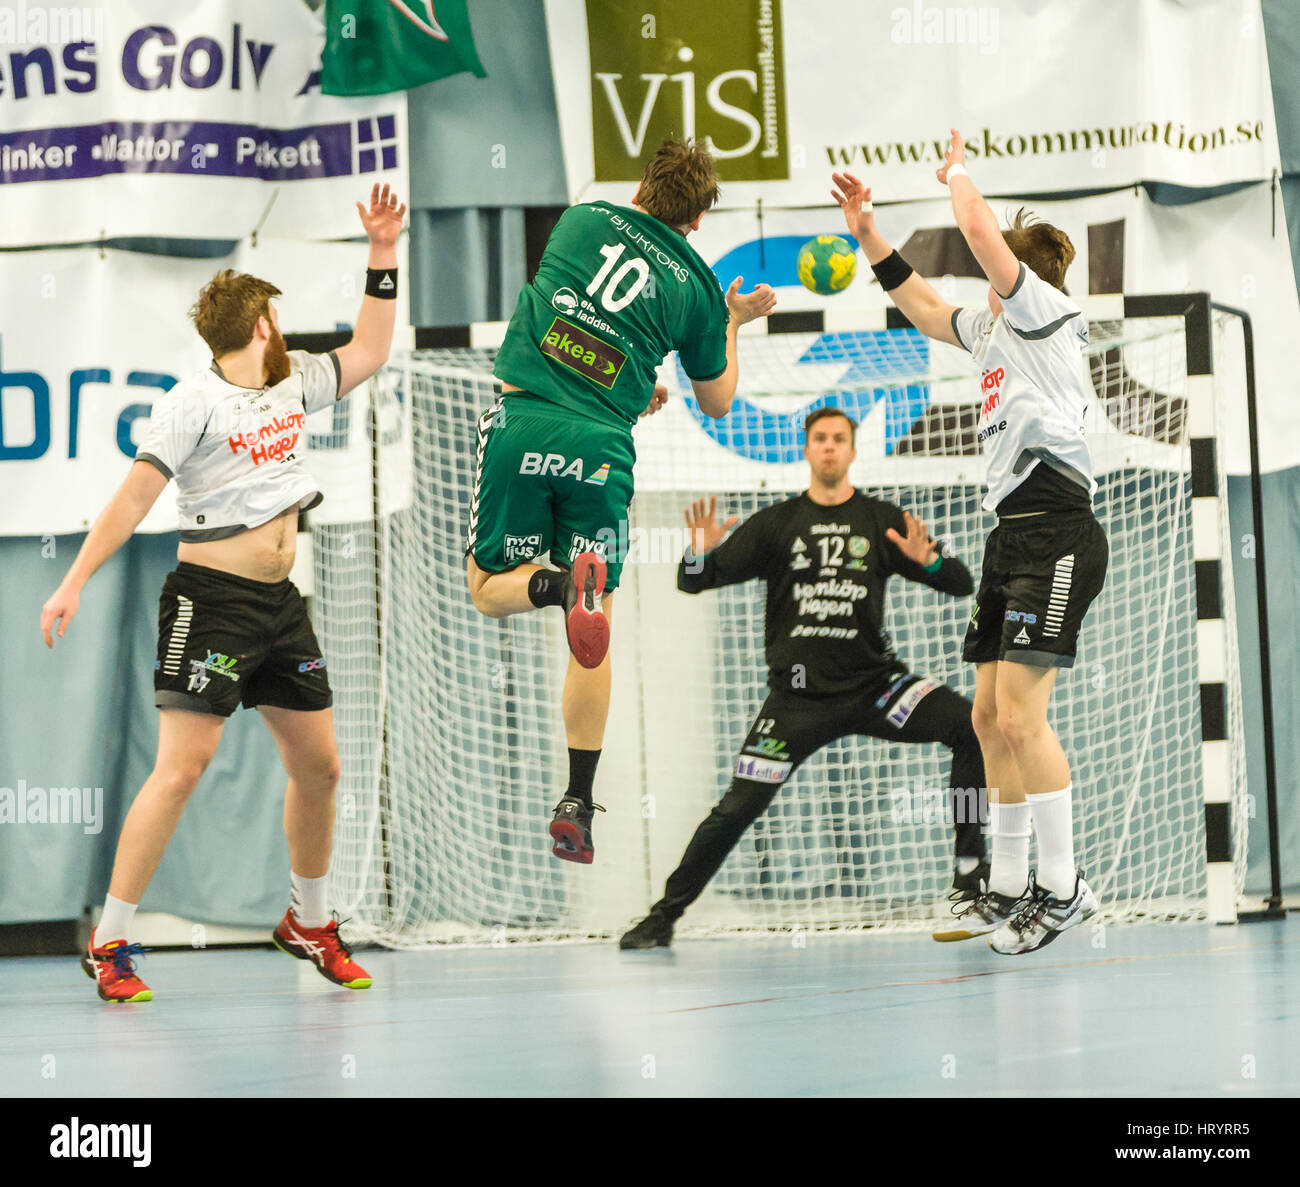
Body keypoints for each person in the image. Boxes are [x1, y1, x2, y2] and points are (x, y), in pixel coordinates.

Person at [39, 184, 407, 1001]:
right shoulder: (190, 404)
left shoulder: (293, 384)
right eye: (276, 316)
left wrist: (383, 254)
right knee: (183, 768)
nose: (282, 328)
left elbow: (372, 348)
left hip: (282, 608)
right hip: (211, 602)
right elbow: (133, 499)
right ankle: (110, 943)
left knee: (320, 765)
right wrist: (71, 581)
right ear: (261, 326)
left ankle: (307, 922)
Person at [831, 128, 1106, 955]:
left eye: (993, 268)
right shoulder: (991, 335)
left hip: (1058, 530)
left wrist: (955, 171)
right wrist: (867, 229)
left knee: (1023, 717)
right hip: (1009, 535)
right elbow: (917, 302)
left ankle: (1063, 890)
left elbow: (982, 229)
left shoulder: (1041, 312)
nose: (982, 276)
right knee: (988, 717)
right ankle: (1010, 884)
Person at [464, 137, 776, 864]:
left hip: (523, 423)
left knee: (485, 590)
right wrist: (731, 320)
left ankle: (548, 587)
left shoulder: (579, 218)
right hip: (601, 449)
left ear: (643, 183)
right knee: (593, 619)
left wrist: (628, 379)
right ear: (697, 221)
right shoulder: (698, 286)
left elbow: (579, 330)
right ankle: (577, 795)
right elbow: (720, 400)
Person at [620, 407, 987, 949]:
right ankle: (664, 915)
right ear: (807, 450)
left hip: (877, 688)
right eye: (821, 439)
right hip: (796, 703)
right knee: (736, 808)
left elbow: (960, 584)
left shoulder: (881, 520)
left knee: (973, 726)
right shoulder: (778, 524)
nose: (830, 447)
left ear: (853, 450)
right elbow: (692, 581)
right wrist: (697, 554)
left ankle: (970, 877)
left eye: (840, 439)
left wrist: (929, 563)